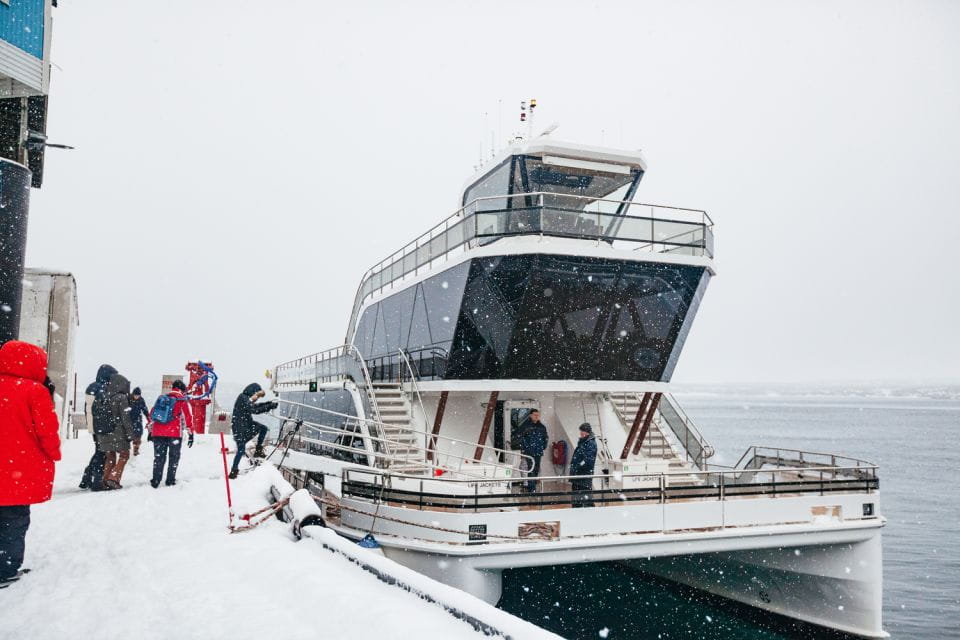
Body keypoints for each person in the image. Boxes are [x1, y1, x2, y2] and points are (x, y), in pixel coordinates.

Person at [0, 341, 61, 587]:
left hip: (14, 465)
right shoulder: (34, 391)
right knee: (14, 519)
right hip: (18, 468)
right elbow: (47, 430)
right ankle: (5, 570)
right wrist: (54, 452)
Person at [149, 380, 194, 488]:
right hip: (174, 434)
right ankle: (170, 480)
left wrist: (150, 431)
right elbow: (188, 418)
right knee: (174, 457)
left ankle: (156, 480)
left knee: (159, 457)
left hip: (158, 432)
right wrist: (191, 433)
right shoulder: (181, 400)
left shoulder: (162, 398)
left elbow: (152, 415)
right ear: (182, 390)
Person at [79, 364, 117, 490]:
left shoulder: (93, 387)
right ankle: (96, 482)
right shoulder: (101, 389)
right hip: (102, 427)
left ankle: (87, 478)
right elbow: (105, 410)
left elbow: (89, 409)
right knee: (102, 454)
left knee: (99, 452)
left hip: (95, 426)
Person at [229, 383, 277, 479]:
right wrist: (269, 406)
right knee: (241, 448)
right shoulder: (243, 397)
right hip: (240, 428)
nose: (257, 398)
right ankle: (234, 471)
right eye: (257, 395)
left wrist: (268, 403)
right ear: (253, 392)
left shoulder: (245, 398)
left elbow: (255, 406)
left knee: (263, 428)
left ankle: (258, 450)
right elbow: (254, 410)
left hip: (245, 425)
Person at [99, 373, 135, 490]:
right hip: (117, 432)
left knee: (110, 456)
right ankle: (113, 478)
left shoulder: (103, 396)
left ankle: (105, 480)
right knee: (124, 455)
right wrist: (130, 434)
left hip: (104, 432)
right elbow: (125, 418)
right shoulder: (121, 398)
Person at [515, 409, 548, 492]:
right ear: (530, 415)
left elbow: (546, 438)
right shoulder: (525, 426)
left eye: (538, 415)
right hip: (529, 452)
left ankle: (532, 486)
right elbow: (519, 437)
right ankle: (531, 487)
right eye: (535, 415)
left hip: (538, 451)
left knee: (536, 469)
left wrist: (543, 446)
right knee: (530, 468)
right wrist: (526, 448)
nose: (536, 416)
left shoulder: (542, 427)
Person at [570, 423, 598, 508]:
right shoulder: (583, 442)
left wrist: (578, 466)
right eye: (581, 431)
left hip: (583, 475)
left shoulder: (590, 443)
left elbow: (588, 460)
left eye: (583, 431)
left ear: (588, 432)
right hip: (578, 475)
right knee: (578, 496)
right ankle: (577, 511)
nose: (581, 433)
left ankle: (587, 514)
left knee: (585, 497)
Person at [128, 387, 149, 457]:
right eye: (135, 395)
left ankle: (136, 450)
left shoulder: (141, 400)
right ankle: (125, 450)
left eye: (138, 395)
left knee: (138, 435)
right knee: (127, 435)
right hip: (129, 420)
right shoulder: (128, 399)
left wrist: (149, 418)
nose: (136, 397)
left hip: (138, 420)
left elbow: (145, 410)